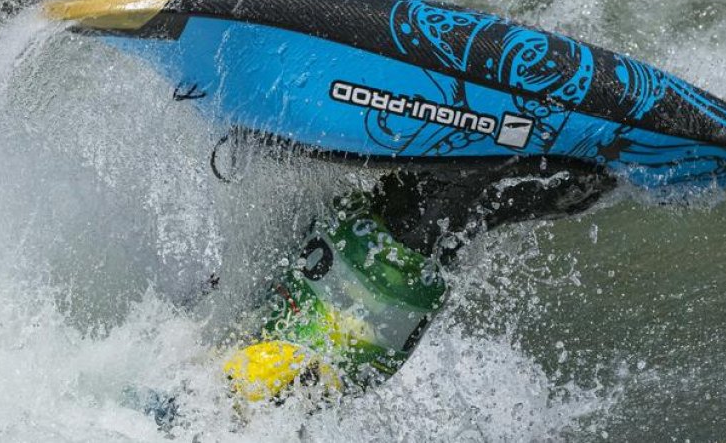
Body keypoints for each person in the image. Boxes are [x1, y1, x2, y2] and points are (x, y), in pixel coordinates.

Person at [221, 157, 613, 404]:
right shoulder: (237, 393)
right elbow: (300, 378)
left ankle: (596, 177)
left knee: (471, 206)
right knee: (465, 185)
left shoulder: (209, 388)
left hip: (371, 301)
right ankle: (595, 169)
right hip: (375, 285)